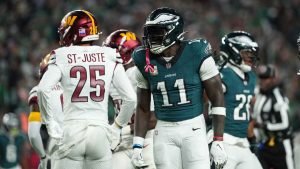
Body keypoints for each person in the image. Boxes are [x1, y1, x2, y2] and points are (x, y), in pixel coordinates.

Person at [37, 9, 136, 169]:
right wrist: (117, 127)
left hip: (71, 131)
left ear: (71, 32)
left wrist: (50, 122)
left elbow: (43, 89)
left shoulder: (61, 55)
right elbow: (130, 98)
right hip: (100, 133)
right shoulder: (110, 55)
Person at [132, 7, 227, 169]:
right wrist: (137, 145)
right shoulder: (143, 59)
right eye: (150, 32)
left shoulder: (196, 51)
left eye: (156, 32)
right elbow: (142, 107)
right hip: (163, 130)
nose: (150, 37)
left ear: (172, 31)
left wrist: (218, 140)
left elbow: (217, 96)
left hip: (193, 128)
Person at [103, 29, 157, 169]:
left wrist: (120, 130)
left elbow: (154, 119)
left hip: (148, 139)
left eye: (111, 50)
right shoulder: (112, 77)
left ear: (126, 53)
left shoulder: (139, 74)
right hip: (122, 143)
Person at [214, 30, 262, 169]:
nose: (250, 57)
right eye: (247, 53)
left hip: (243, 142)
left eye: (252, 54)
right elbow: (204, 100)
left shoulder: (251, 77)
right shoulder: (222, 74)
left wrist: (252, 138)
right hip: (224, 141)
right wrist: (212, 74)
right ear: (234, 51)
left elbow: (247, 112)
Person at [253, 64, 294, 169]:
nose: (263, 81)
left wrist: (265, 126)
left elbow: (286, 124)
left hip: (281, 145)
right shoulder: (258, 93)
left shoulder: (278, 97)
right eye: (261, 77)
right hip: (264, 144)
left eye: (266, 78)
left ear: (273, 79)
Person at [28, 53, 64, 169]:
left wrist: (43, 158)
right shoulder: (74, 88)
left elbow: (33, 135)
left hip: (57, 152)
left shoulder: (37, 91)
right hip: (82, 147)